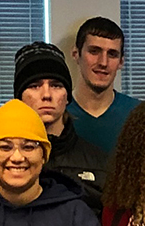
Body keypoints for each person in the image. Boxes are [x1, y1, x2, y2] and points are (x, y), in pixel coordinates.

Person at [15, 40, 109, 209]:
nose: (46, 95)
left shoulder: (102, 165)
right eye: (35, 86)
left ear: (67, 96)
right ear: (19, 97)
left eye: (56, 85)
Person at [67, 16, 138, 153]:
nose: (103, 62)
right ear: (76, 54)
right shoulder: (57, 114)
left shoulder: (137, 114)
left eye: (112, 54)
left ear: (121, 62)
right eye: (94, 51)